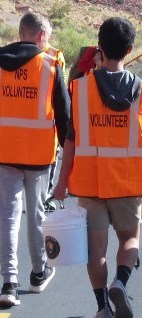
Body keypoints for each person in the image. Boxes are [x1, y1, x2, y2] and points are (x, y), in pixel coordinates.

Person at [53, 17, 142, 318]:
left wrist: (62, 182)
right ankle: (121, 283)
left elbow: (70, 139)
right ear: (129, 49)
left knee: (95, 252)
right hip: (128, 183)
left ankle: (102, 310)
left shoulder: (81, 88)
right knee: (130, 241)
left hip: (90, 184)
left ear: (99, 47)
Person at [0, 11, 70, 306]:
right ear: (41, 35)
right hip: (40, 155)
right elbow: (64, 114)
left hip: (5, 152)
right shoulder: (50, 64)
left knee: (8, 217)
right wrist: (70, 153)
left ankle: (8, 283)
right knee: (36, 215)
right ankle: (38, 273)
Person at [40, 19, 67, 212]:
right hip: (40, 123)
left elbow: (59, 91)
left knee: (50, 163)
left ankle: (47, 195)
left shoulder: (56, 57)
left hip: (47, 120)